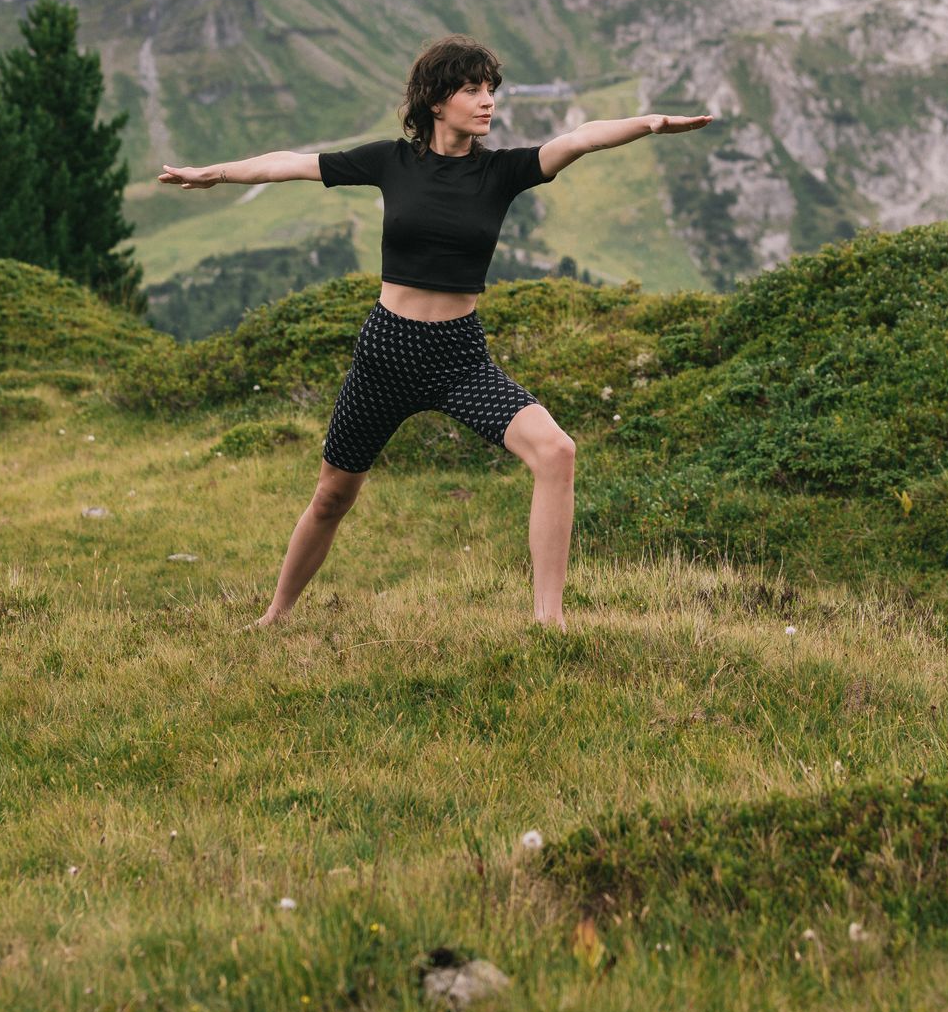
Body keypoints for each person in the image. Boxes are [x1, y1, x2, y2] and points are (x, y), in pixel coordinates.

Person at [158, 34, 713, 631]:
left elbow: (578, 140)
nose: (487, 101)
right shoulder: (390, 162)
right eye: (472, 89)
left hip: (458, 356)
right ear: (435, 100)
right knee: (332, 496)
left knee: (557, 452)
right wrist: (215, 173)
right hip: (386, 353)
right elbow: (290, 164)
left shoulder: (503, 172)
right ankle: (274, 617)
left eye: (490, 90)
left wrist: (651, 123)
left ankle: (550, 624)